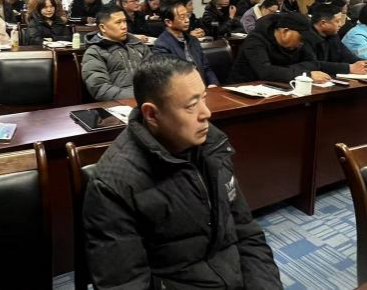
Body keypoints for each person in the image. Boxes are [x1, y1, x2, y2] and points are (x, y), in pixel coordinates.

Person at [83, 55, 282, 289]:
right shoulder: (114, 185)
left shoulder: (213, 146)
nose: (206, 113)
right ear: (152, 114)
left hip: (233, 276)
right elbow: (125, 283)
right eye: (191, 105)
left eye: (204, 99)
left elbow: (246, 232)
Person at [228, 12, 332, 84]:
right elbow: (265, 71)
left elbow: (312, 63)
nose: (302, 43)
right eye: (300, 39)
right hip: (242, 90)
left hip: (278, 87)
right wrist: (306, 75)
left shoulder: (297, 44)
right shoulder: (255, 40)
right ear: (285, 32)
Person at [81, 7, 151, 101]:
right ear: (103, 27)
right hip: (119, 104)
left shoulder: (139, 45)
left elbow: (156, 75)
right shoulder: (95, 52)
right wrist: (139, 97)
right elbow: (100, 89)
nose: (124, 26)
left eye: (125, 21)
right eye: (118, 22)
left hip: (149, 100)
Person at [153, 2, 219, 86]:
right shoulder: (161, 46)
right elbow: (169, 78)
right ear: (169, 22)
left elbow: (206, 68)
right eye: (182, 17)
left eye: (187, 15)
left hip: (201, 86)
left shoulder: (193, 40)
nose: (187, 20)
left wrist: (213, 84)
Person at [303, 4, 367, 75]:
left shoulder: (332, 35)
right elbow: (312, 64)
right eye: (337, 21)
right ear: (323, 23)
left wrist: (365, 63)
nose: (340, 24)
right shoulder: (306, 38)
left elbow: (346, 55)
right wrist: (349, 68)